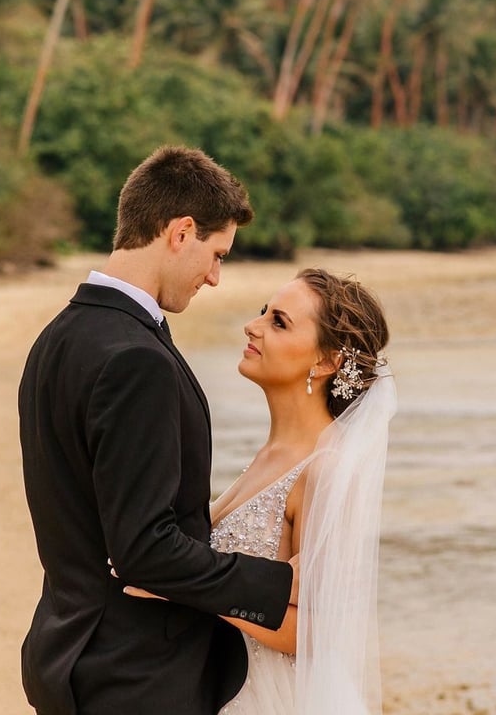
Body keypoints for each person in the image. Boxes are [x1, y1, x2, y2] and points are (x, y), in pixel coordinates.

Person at [18, 144, 295, 715]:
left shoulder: (56, 338)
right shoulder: (134, 359)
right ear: (180, 231)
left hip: (67, 650)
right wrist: (280, 587)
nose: (215, 277)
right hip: (134, 671)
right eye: (216, 254)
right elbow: (144, 547)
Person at [124, 266, 396, 715]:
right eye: (263, 312)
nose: (254, 326)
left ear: (327, 361)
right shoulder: (271, 454)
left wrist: (183, 586)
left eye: (279, 322)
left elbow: (316, 634)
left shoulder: (325, 468)